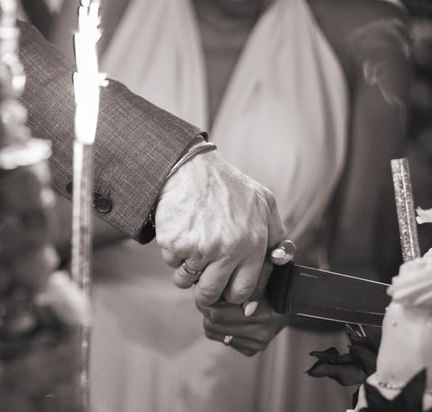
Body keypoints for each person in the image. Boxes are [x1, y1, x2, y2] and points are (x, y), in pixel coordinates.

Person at [42, 1, 411, 412]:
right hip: (112, 351)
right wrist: (159, 203)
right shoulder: (98, 9)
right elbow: (33, 219)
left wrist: (282, 292)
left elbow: (361, 264)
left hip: (268, 362)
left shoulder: (364, 26)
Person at [17, 20, 288, 311]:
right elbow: (38, 81)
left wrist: (276, 287)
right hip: (105, 308)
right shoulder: (103, 10)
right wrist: (177, 171)